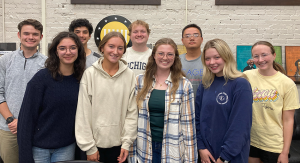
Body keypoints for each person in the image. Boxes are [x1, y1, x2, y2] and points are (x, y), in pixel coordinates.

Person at [17, 31, 85, 163]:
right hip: (39, 149)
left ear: (78, 50)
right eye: (62, 48)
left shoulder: (82, 79)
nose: (68, 52)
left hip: (66, 147)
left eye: (72, 48)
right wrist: (25, 156)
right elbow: (26, 120)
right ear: (55, 51)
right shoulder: (41, 79)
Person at [129, 38, 197, 163]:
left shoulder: (184, 85)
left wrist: (191, 160)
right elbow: (133, 119)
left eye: (170, 54)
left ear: (175, 57)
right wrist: (132, 154)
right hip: (144, 149)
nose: (165, 58)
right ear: (154, 55)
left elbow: (189, 127)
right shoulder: (140, 81)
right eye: (161, 53)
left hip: (173, 150)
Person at [75, 31, 137, 163]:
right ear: (102, 48)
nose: (115, 51)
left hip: (119, 148)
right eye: (111, 46)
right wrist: (90, 147)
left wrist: (126, 143)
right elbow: (83, 114)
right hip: (94, 148)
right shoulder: (89, 74)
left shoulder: (129, 75)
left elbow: (131, 113)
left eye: (120, 48)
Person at [196, 39, 253, 163]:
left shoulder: (240, 84)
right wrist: (201, 147)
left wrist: (224, 157)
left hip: (231, 156)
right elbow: (197, 119)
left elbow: (241, 126)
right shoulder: (205, 84)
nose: (212, 62)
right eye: (207, 59)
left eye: (217, 57)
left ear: (226, 57)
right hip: (206, 155)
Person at [245, 41, 300, 163]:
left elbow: (288, 120)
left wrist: (285, 152)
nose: (260, 59)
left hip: (274, 145)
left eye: (264, 55)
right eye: (256, 56)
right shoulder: (246, 76)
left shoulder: (287, 84)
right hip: (251, 141)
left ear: (274, 55)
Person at [0, 19, 47, 163]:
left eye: (35, 34)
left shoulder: (47, 63)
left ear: (41, 37)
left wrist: (25, 122)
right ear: (19, 35)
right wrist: (11, 120)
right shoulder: (5, 60)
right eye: (26, 33)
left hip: (35, 129)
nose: (30, 37)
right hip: (9, 129)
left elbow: (46, 98)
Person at [180, 24, 204, 97]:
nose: (192, 38)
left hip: (204, 105)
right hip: (182, 105)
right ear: (182, 41)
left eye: (196, 35)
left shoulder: (209, 60)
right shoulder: (176, 61)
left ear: (202, 39)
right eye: (187, 36)